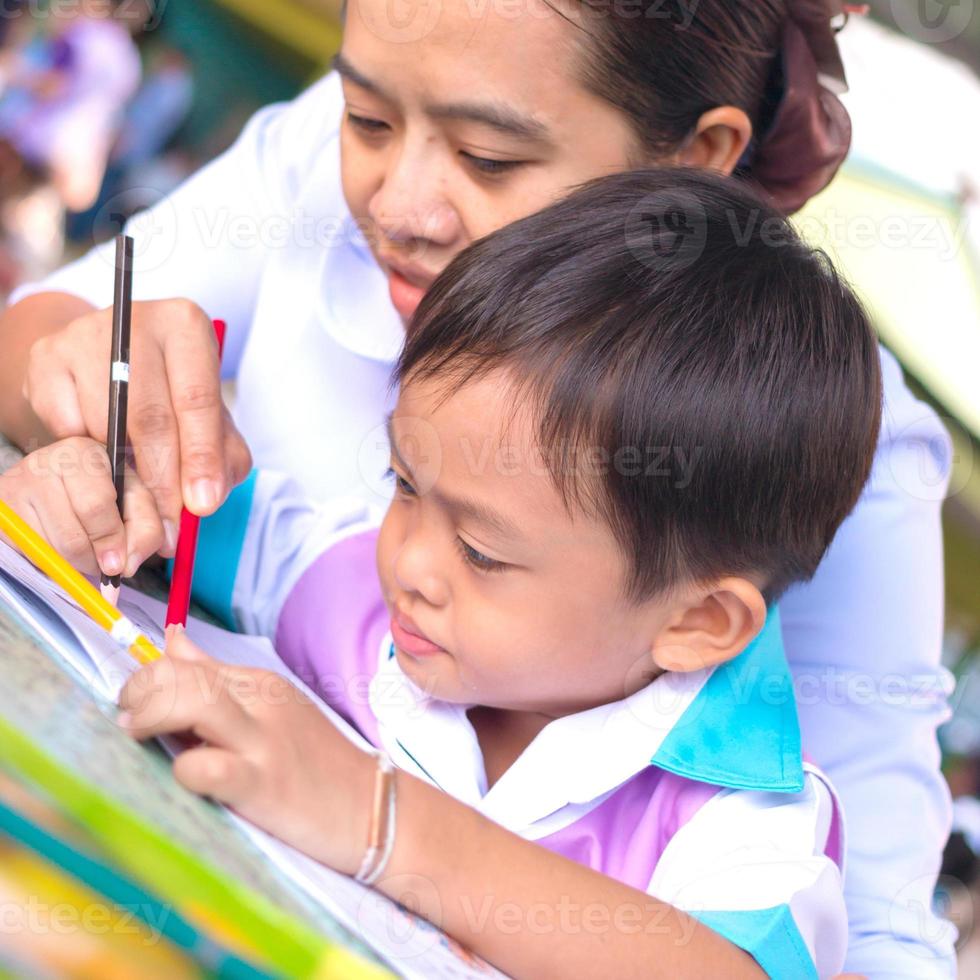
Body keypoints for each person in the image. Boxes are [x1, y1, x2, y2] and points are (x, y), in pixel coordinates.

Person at [0, 1, 954, 972]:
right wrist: (91, 468)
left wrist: (383, 825)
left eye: (489, 156)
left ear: (694, 156)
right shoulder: (355, 591)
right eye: (365, 118)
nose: (399, 205)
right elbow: (165, 490)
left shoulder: (732, 813)